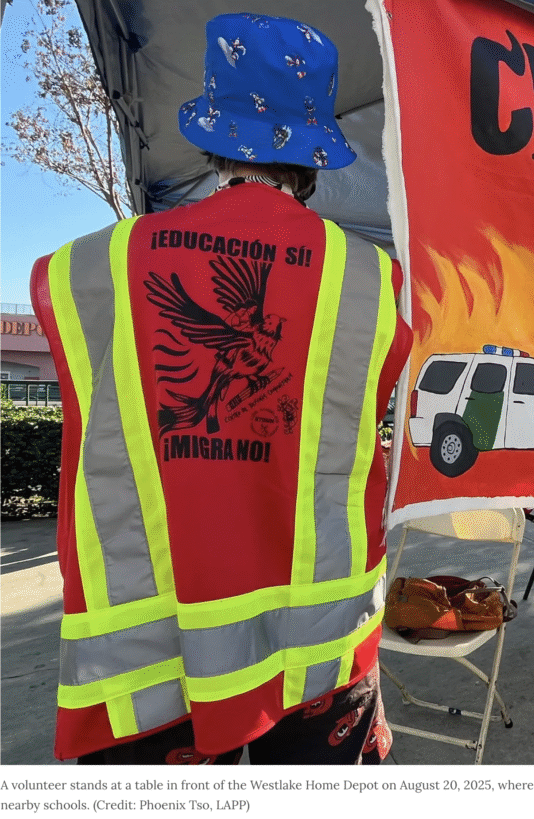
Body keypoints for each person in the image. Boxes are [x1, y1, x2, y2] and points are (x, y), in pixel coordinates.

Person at [31, 13, 411, 764]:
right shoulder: (371, 283)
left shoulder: (95, 268)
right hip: (318, 655)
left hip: (146, 666)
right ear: (314, 154)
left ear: (211, 136)